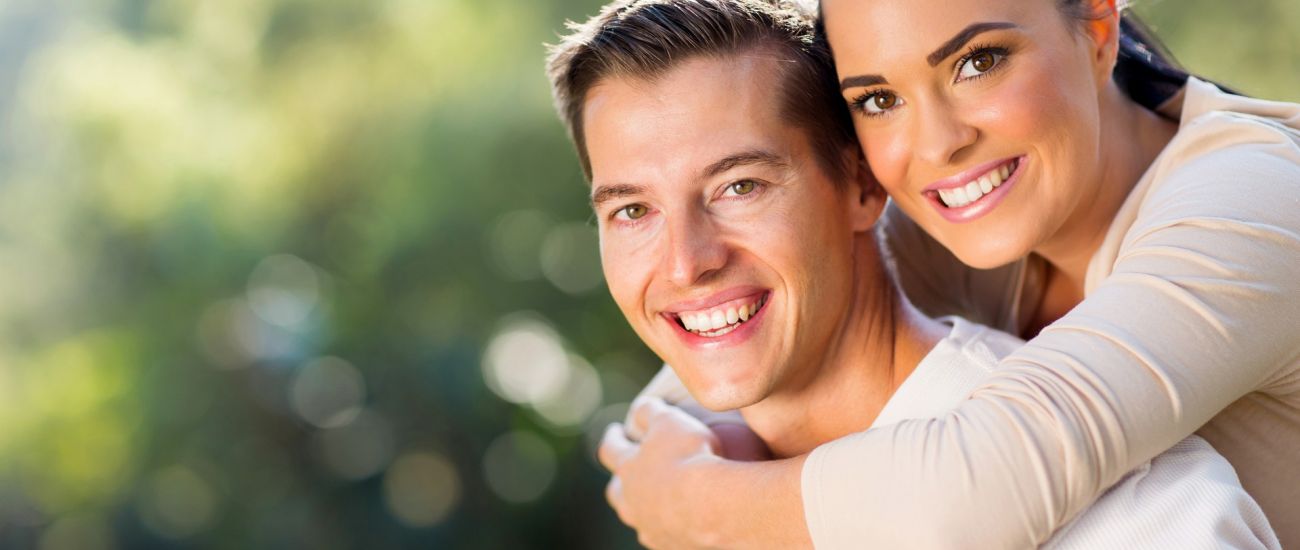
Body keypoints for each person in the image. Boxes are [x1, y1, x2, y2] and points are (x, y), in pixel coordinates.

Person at [544, 0, 1287, 548]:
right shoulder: (958, 218)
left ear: (1098, 23)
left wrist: (699, 503)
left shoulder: (1255, 199)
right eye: (879, 99)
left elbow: (984, 474)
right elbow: (719, 319)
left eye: (979, 61)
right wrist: (682, 436)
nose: (935, 145)